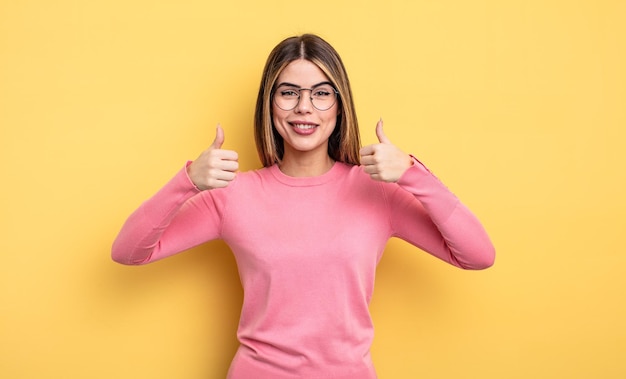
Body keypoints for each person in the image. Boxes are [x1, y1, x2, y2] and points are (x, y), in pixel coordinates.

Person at [112, 33, 495, 379]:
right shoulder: (233, 194)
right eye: (289, 92)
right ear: (270, 103)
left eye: (321, 93)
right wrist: (188, 181)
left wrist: (413, 173)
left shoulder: (376, 191)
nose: (304, 108)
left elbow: (478, 255)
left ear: (339, 105)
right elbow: (128, 252)